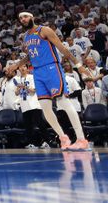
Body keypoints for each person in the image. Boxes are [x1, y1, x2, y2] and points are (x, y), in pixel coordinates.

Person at [6, 12, 93, 151]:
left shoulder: (44, 30)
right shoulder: (26, 36)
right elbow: (30, 56)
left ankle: (81, 139)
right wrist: (17, 64)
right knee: (45, 108)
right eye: (21, 18)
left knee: (62, 102)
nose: (23, 19)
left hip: (51, 67)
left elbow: (62, 48)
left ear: (32, 17)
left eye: (25, 16)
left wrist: (78, 64)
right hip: (37, 72)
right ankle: (63, 138)